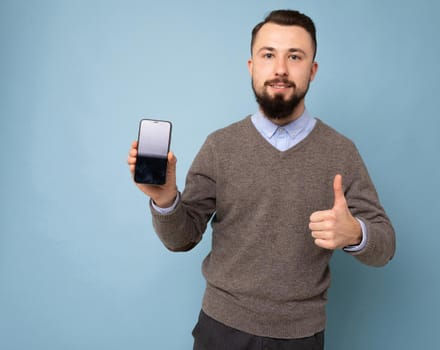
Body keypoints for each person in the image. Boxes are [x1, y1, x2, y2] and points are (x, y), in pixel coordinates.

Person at [128, 9, 395, 350]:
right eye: (268, 55)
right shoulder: (219, 146)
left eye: (294, 57)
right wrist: (166, 199)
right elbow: (181, 238)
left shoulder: (341, 152)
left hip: (301, 338)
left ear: (312, 70)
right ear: (252, 66)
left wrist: (355, 233)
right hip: (220, 332)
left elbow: (385, 246)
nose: (280, 68)